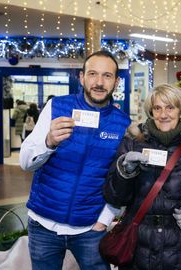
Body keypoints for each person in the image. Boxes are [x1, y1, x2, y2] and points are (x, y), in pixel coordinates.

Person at [19, 50, 131, 270]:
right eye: (92, 74)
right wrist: (48, 141)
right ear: (81, 77)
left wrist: (104, 220)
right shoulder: (56, 107)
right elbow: (25, 162)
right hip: (43, 223)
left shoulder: (123, 124)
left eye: (107, 76)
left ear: (116, 82)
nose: (99, 82)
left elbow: (120, 181)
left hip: (90, 229)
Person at [103, 84, 181, 269]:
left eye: (170, 107)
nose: (163, 114)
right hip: (138, 246)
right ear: (151, 111)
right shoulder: (132, 142)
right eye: (157, 108)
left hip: (179, 250)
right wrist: (125, 172)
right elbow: (113, 196)